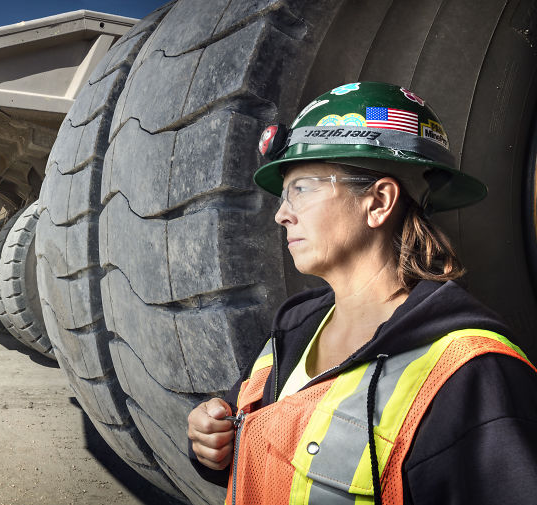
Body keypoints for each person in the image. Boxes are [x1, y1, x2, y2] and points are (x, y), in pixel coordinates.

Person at [187, 82, 537, 505]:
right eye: (284, 194)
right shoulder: (293, 330)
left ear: (379, 202)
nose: (281, 214)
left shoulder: (473, 374)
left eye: (302, 187)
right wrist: (212, 442)